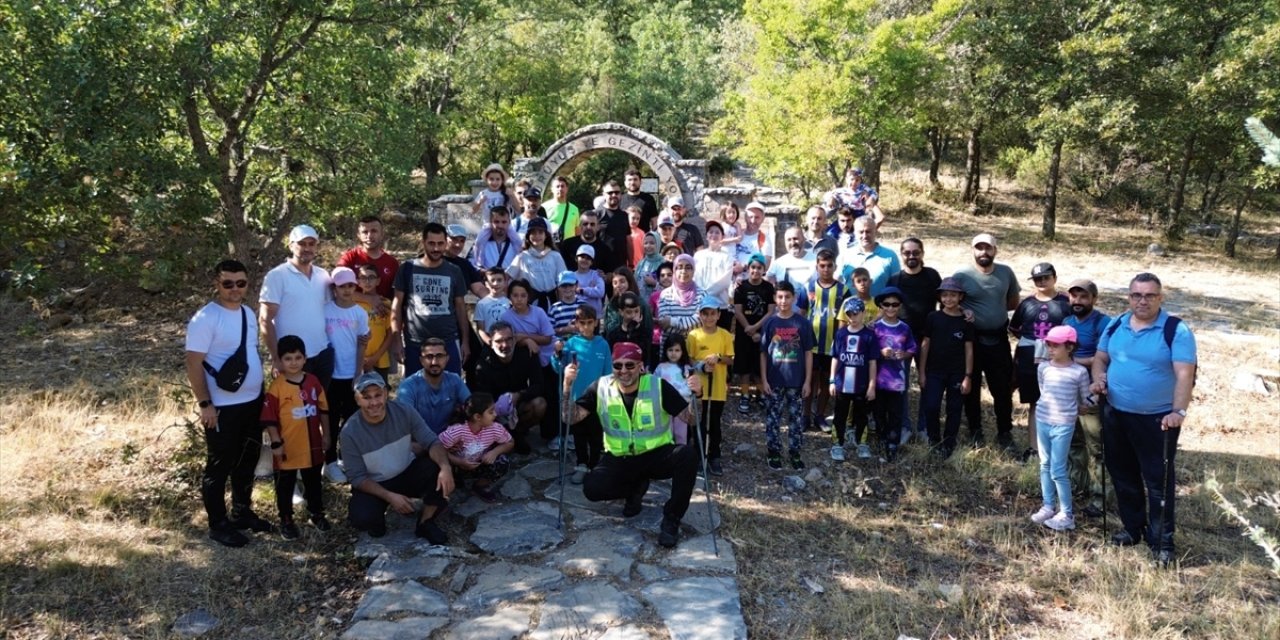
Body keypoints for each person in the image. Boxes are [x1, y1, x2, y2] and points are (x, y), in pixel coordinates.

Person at [1092, 273, 1196, 567]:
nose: (1142, 301)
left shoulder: (1176, 330)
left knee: (1158, 481)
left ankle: (1162, 541)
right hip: (1115, 412)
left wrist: (1178, 412)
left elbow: (1184, 374)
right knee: (1122, 474)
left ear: (1160, 298)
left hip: (1158, 420)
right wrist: (1099, 378)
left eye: (1150, 295)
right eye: (1137, 295)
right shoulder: (1116, 324)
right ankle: (1132, 529)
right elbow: (1101, 358)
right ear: (1129, 297)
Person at [563, 342, 702, 548]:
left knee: (688, 455)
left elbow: (691, 419)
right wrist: (567, 386)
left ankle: (672, 519)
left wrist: (697, 396)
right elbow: (570, 418)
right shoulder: (601, 387)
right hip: (621, 457)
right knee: (591, 489)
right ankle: (634, 489)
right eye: (618, 366)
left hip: (656, 455)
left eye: (630, 365)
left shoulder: (657, 385)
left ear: (641, 366)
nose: (623, 371)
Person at [185, 259, 270, 547]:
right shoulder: (205, 318)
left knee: (248, 459)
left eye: (240, 283)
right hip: (222, 407)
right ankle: (218, 523)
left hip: (252, 402)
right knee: (219, 465)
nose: (235, 289)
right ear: (217, 285)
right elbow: (193, 364)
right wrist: (204, 403)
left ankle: (242, 511)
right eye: (228, 283)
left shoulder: (247, 313)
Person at [340, 372, 455, 544]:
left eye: (378, 395)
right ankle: (378, 520)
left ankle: (425, 522)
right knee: (362, 518)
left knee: (438, 469)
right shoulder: (349, 432)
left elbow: (431, 441)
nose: (373, 402)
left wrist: (446, 468)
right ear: (357, 400)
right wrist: (389, 496)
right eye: (366, 397)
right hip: (376, 482)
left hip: (406, 470)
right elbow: (356, 477)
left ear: (386, 394)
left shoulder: (404, 411)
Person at [951, 233, 1020, 450]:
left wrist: (993, 313)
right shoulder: (962, 275)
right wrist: (965, 310)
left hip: (998, 339)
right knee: (970, 387)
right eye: (979, 248)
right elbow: (950, 302)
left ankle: (1004, 431)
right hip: (971, 340)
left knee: (1002, 388)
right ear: (972, 250)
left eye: (988, 248)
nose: (983, 252)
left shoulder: (1006, 272)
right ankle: (975, 430)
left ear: (995, 250)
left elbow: (1012, 301)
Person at [261, 335, 330, 540]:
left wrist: (326, 434)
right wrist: (276, 442)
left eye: (298, 357)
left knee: (314, 482)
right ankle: (286, 519)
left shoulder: (313, 382)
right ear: (280, 361)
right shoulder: (277, 387)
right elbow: (269, 419)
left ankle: (316, 513)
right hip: (287, 447)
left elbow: (324, 410)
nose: (293, 362)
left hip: (313, 446)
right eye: (288, 358)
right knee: (285, 485)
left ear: (305, 358)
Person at [1030, 325, 1094, 532]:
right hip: (1042, 419)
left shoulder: (1079, 372)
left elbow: (1085, 399)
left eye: (1055, 345)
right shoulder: (1044, 368)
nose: (1050, 349)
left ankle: (1066, 513)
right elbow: (1043, 391)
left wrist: (1091, 401)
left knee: (1058, 469)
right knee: (1045, 464)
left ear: (1070, 347)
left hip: (1064, 424)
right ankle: (1048, 505)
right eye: (1048, 344)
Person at [1009, 262, 1071, 461]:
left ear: (1055, 277)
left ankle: (1059, 451)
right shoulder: (1027, 304)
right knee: (1036, 402)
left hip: (1059, 359)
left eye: (1046, 277)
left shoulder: (1065, 303)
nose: (1042, 282)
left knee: (1060, 402)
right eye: (1038, 279)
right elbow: (1015, 328)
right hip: (1030, 359)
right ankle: (1034, 449)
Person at [392, 222, 471, 377]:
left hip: (448, 341)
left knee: (451, 390)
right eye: (431, 243)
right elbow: (397, 306)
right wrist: (397, 341)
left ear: (446, 243)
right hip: (416, 342)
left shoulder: (454, 271)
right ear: (423, 243)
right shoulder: (407, 268)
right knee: (415, 392)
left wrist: (465, 341)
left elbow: (461, 307)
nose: (436, 248)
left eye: (440, 244)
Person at [261, 224, 332, 384]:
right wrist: (276, 358)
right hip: (293, 359)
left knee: (321, 405)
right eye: (302, 244)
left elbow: (331, 309)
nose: (307, 248)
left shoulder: (323, 275)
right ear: (291, 245)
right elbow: (265, 319)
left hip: (322, 353)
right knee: (295, 407)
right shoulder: (276, 276)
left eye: (311, 244)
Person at [886, 237, 941, 444]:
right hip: (901, 339)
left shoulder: (932, 276)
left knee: (927, 382)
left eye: (915, 252)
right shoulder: (895, 279)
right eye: (907, 253)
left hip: (927, 338)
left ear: (922, 253)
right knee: (900, 383)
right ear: (902, 255)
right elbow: (887, 306)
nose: (911, 256)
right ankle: (904, 426)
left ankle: (924, 427)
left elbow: (945, 300)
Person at [1063, 278, 1111, 518]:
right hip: (1068, 391)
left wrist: (1073, 360)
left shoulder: (1103, 323)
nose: (1078, 301)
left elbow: (1103, 358)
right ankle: (1076, 485)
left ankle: (1100, 497)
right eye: (1074, 296)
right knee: (1074, 443)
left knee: (1098, 447)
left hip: (1092, 393)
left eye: (1083, 297)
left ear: (1094, 299)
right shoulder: (1067, 322)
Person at [759, 281, 815, 469]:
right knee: (773, 418)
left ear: (794, 298)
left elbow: (808, 353)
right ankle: (773, 452)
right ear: (775, 299)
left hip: (796, 381)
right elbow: (763, 353)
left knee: (796, 419)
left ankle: (795, 452)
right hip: (774, 380)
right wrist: (764, 379)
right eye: (780, 297)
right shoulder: (770, 323)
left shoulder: (802, 323)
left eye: (787, 297)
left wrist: (808, 381)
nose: (783, 301)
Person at [553, 306, 612, 483]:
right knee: (579, 434)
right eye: (582, 323)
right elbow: (558, 368)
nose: (586, 327)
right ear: (576, 324)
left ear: (595, 323)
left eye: (589, 323)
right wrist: (557, 354)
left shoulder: (603, 344)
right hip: (575, 398)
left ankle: (594, 465)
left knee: (595, 434)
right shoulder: (571, 344)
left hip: (596, 398)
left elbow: (608, 372)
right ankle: (581, 463)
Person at [323, 266, 371, 482]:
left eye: (351, 285)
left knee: (351, 419)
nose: (347, 290)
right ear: (334, 288)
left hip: (350, 375)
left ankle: (346, 457)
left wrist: (357, 373)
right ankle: (329, 461)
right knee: (330, 419)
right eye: (342, 286)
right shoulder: (325, 310)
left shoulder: (360, 313)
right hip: (330, 376)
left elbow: (362, 345)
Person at [919, 278, 975, 458]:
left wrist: (968, 376)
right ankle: (934, 440)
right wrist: (921, 372)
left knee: (954, 408)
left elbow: (969, 349)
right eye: (945, 295)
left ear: (960, 297)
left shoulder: (966, 321)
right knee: (932, 406)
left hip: (957, 372)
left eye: (953, 295)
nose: (949, 299)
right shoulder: (933, 317)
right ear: (939, 297)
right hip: (934, 371)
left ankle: (949, 443)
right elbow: (925, 345)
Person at [471, 321, 547, 454]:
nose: (505, 345)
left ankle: (518, 433)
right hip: (494, 411)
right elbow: (481, 398)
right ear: (491, 342)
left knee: (540, 404)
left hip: (520, 402)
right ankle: (503, 435)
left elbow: (540, 385)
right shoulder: (482, 363)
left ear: (515, 338)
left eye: (509, 339)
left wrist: (519, 395)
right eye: (499, 341)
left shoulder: (526, 353)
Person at [686, 294, 734, 476]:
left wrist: (719, 358)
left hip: (718, 388)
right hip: (699, 388)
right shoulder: (693, 335)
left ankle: (714, 456)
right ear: (700, 315)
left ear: (718, 315)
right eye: (705, 314)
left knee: (714, 423)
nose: (709, 318)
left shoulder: (725, 335)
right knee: (697, 423)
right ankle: (697, 456)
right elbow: (689, 360)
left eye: (712, 314)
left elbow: (730, 360)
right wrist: (701, 366)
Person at [829, 297, 880, 461]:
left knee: (861, 415)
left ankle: (861, 442)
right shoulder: (841, 334)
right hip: (842, 384)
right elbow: (835, 357)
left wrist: (872, 386)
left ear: (863, 313)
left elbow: (872, 362)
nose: (852, 317)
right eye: (849, 313)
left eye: (856, 313)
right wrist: (831, 380)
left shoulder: (869, 336)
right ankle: (838, 444)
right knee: (840, 414)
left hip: (861, 385)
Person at [438, 393, 514, 503]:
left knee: (502, 462)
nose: (495, 414)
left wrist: (495, 452)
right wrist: (459, 462)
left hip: (478, 464)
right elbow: (437, 448)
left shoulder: (495, 428)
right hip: (456, 466)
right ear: (477, 417)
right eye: (491, 412)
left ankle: (480, 486)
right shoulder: (457, 431)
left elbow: (510, 442)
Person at [805, 249, 849, 433]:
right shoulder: (808, 288)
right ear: (817, 267)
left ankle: (820, 416)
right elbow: (800, 315)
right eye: (822, 266)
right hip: (811, 346)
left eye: (829, 266)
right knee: (809, 380)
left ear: (834, 267)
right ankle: (805, 416)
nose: (825, 269)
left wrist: (840, 343)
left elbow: (846, 319)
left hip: (832, 346)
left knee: (825, 381)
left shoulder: (843, 290)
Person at [871, 286, 916, 462]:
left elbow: (912, 348)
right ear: (881, 306)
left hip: (897, 380)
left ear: (900, 306)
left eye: (894, 304)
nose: (890, 308)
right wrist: (881, 352)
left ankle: (893, 443)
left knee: (896, 413)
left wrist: (904, 355)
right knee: (879, 412)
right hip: (878, 379)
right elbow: (868, 349)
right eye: (886, 304)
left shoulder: (904, 328)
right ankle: (882, 438)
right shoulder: (875, 327)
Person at [397, 338, 471, 435]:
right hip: (419, 442)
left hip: (449, 440)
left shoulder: (455, 380)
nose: (434, 362)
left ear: (447, 358)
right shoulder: (408, 386)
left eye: (439, 356)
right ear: (421, 360)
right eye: (429, 357)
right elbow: (403, 422)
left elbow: (472, 407)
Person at [733, 254, 776, 412]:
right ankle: (744, 395)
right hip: (744, 332)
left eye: (759, 268)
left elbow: (771, 311)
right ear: (748, 268)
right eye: (753, 267)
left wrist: (756, 327)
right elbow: (738, 311)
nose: (756, 271)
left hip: (763, 332)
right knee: (744, 367)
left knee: (760, 366)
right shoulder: (741, 287)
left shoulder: (768, 288)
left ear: (764, 270)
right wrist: (749, 330)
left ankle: (762, 394)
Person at [505, 217, 566, 311]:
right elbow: (507, 277)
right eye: (533, 233)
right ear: (528, 236)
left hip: (552, 302)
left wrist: (563, 303)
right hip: (530, 303)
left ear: (546, 235)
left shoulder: (555, 256)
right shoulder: (522, 257)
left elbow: (563, 281)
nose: (537, 236)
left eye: (540, 232)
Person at [338, 215, 399, 307]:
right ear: (358, 235)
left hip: (382, 318)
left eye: (374, 231)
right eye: (365, 232)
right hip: (352, 317)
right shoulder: (349, 258)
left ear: (382, 234)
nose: (369, 236)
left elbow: (397, 296)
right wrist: (368, 299)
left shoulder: (392, 263)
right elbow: (336, 287)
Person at [838, 216, 900, 298]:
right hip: (851, 309)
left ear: (875, 232)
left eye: (868, 231)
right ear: (855, 233)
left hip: (880, 309)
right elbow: (837, 283)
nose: (865, 235)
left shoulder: (890, 256)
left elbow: (896, 287)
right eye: (861, 232)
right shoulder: (845, 255)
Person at [693, 220, 739, 330]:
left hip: (720, 305)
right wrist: (700, 296)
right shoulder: (698, 255)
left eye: (717, 232)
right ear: (707, 236)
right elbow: (695, 277)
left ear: (722, 236)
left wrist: (705, 294)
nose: (714, 235)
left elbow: (724, 281)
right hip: (700, 305)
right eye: (711, 232)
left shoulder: (727, 256)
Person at [355, 264, 394, 385]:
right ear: (358, 281)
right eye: (363, 278)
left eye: (371, 277)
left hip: (380, 360)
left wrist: (375, 357)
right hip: (357, 360)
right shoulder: (353, 304)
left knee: (380, 393)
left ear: (378, 281)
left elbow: (390, 333)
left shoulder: (385, 303)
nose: (367, 281)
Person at [654, 334, 696, 445]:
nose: (673, 353)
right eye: (670, 350)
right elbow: (654, 384)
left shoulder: (687, 368)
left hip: (682, 406)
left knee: (680, 432)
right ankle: (667, 455)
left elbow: (690, 388)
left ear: (683, 351)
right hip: (664, 405)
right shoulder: (661, 367)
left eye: (677, 350)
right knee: (666, 431)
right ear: (666, 350)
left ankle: (681, 454)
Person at [656, 254, 704, 346]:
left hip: (694, 348)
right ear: (674, 270)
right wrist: (689, 325)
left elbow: (700, 322)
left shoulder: (702, 294)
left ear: (693, 271)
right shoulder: (665, 294)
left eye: (688, 267)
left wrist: (672, 321)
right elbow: (664, 324)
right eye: (679, 267)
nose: (683, 271)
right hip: (670, 350)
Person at [766, 226, 816, 312]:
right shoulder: (778, 263)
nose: (792, 242)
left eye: (795, 238)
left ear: (804, 239)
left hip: (810, 314)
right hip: (785, 316)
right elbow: (767, 283)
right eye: (789, 240)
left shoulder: (816, 260)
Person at [560, 210, 620, 275]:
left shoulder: (605, 249)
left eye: (592, 224)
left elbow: (612, 273)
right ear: (580, 226)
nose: (589, 227)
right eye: (585, 224)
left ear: (598, 227)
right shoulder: (567, 245)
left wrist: (605, 277)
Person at [607, 291, 653, 366]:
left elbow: (645, 356)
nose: (633, 315)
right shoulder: (613, 334)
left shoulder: (645, 332)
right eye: (629, 312)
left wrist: (634, 326)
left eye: (636, 311)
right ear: (621, 312)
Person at [443, 224, 488, 298]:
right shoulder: (433, 261)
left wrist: (496, 302)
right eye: (454, 239)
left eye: (462, 241)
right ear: (444, 239)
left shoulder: (464, 265)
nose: (458, 245)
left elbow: (479, 289)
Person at [592, 180, 631, 263]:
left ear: (620, 194)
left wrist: (631, 263)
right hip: (601, 265)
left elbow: (628, 241)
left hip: (621, 264)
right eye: (610, 193)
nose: (614, 195)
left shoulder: (624, 215)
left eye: (617, 192)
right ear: (604, 195)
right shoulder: (595, 215)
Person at [471, 206, 519, 272]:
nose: (500, 225)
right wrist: (485, 272)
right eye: (496, 222)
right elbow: (474, 265)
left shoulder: (515, 243)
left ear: (509, 222)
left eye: (504, 222)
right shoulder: (481, 243)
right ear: (490, 222)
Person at [474, 268, 512, 349]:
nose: (495, 283)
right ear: (486, 283)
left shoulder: (510, 303)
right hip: (491, 342)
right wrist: (490, 342)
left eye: (499, 280)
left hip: (509, 342)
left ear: (505, 283)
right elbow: (481, 329)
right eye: (492, 280)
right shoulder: (481, 304)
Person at [543, 175, 581, 243]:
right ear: (552, 189)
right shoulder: (544, 207)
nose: (560, 189)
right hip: (551, 246)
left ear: (567, 189)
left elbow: (577, 231)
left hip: (569, 248)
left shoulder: (574, 209)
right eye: (557, 186)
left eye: (562, 186)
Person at [572, 245, 607, 315]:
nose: (585, 260)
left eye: (588, 258)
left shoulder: (596, 275)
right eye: (582, 257)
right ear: (576, 258)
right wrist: (592, 290)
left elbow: (600, 292)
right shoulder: (571, 276)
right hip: (577, 314)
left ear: (591, 262)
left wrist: (582, 290)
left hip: (595, 315)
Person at [738, 202, 775, 268]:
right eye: (750, 217)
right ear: (745, 218)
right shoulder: (736, 234)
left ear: (762, 219)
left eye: (757, 217)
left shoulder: (765, 239)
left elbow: (765, 265)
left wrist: (743, 267)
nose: (753, 221)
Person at [549, 271, 585, 338]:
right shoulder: (554, 308)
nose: (567, 288)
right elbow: (549, 331)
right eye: (564, 286)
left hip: (581, 344)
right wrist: (566, 329)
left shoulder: (583, 305)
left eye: (571, 285)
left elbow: (589, 327)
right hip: (562, 345)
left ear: (576, 285)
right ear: (558, 287)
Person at [634, 232, 664, 300]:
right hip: (641, 305)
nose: (648, 246)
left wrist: (654, 283)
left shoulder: (664, 264)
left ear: (658, 244)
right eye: (645, 243)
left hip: (657, 304)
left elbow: (669, 288)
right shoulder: (641, 263)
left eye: (652, 243)